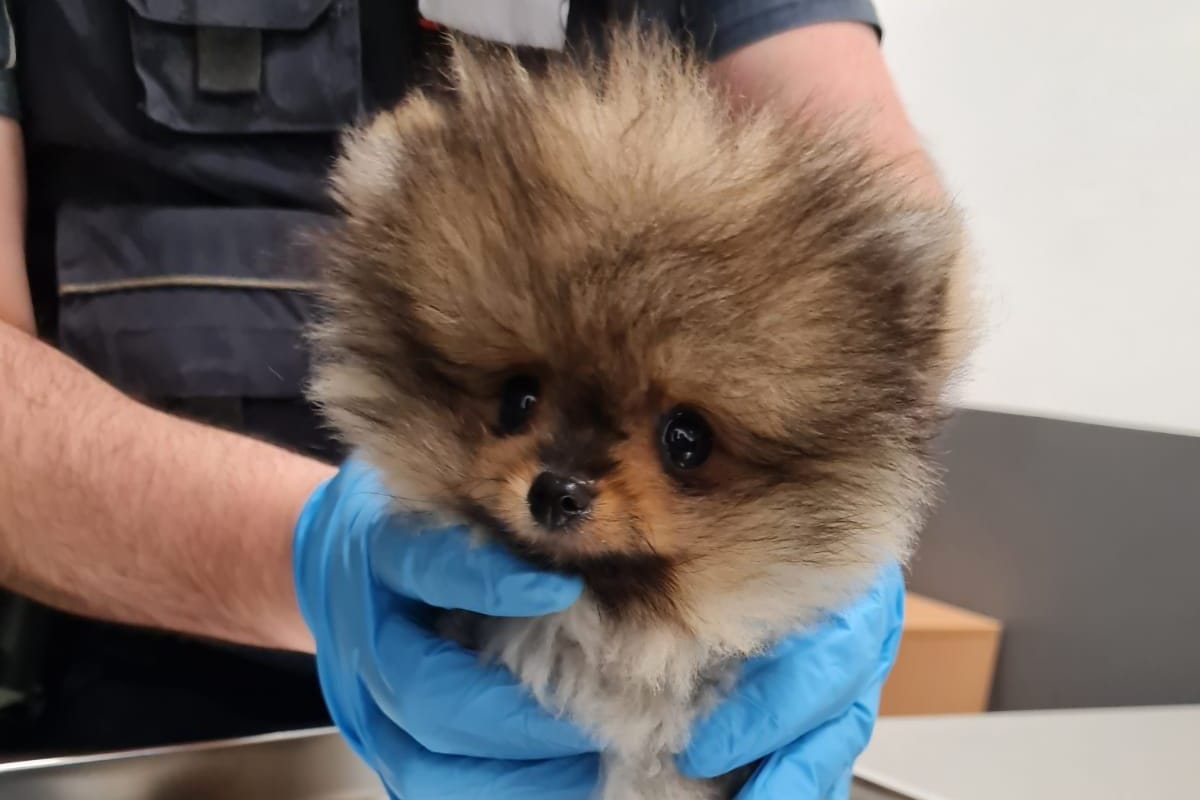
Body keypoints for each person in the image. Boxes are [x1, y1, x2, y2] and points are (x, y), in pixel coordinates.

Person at [0, 1, 933, 797]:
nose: (565, 482)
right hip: (146, 716)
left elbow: (884, 214)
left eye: (682, 441)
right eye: (518, 400)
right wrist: (317, 557)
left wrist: (855, 542)